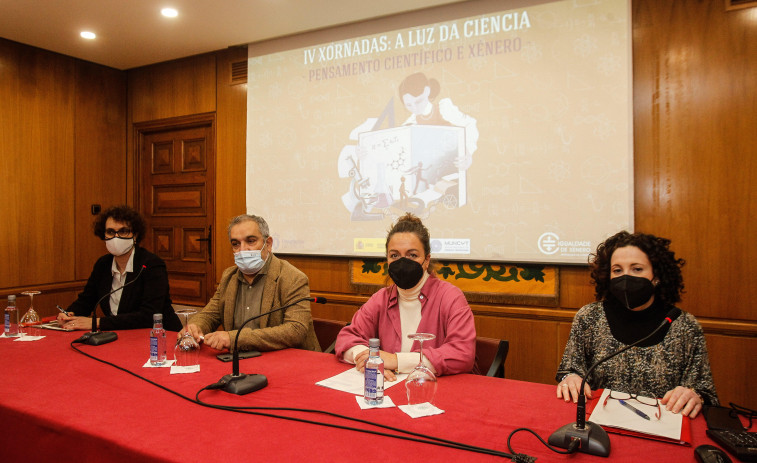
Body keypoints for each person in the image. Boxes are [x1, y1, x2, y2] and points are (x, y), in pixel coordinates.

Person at [555, 231, 718, 418]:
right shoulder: (589, 317)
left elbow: (705, 392)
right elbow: (569, 370)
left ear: (656, 275)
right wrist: (571, 378)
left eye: (637, 269)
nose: (626, 278)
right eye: (617, 270)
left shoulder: (684, 326)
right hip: (599, 423)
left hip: (662, 427)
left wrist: (695, 395)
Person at [335, 213, 476, 379]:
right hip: (390, 387)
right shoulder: (381, 298)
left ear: (427, 260)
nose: (403, 263)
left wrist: (396, 361)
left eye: (412, 255)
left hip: (435, 391)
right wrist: (369, 359)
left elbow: (463, 354)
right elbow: (346, 339)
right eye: (394, 255)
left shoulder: (450, 297)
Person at [184, 214, 320, 352]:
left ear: (268, 244)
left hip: (287, 360)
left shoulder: (292, 278)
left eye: (251, 241)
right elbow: (210, 315)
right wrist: (195, 326)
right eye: (236, 244)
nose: (242, 249)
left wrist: (235, 338)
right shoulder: (229, 276)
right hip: (240, 361)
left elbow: (295, 331)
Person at [57, 205, 181, 331]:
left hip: (158, 336)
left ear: (135, 235)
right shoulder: (103, 264)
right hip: (120, 336)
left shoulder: (151, 264)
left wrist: (97, 322)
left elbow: (149, 315)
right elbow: (86, 300)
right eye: (110, 232)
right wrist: (68, 314)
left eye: (123, 231)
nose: (116, 237)